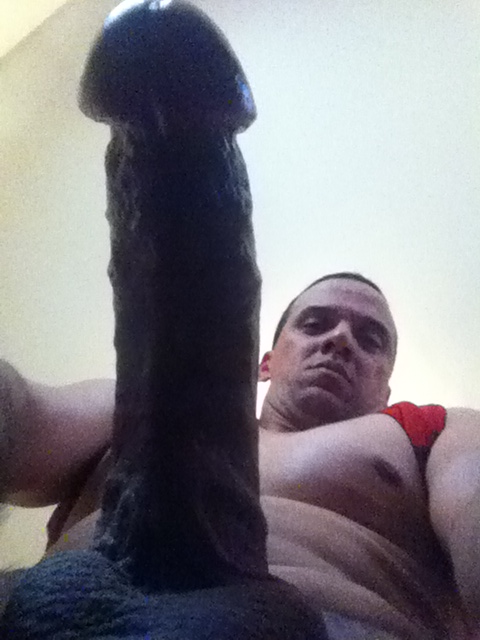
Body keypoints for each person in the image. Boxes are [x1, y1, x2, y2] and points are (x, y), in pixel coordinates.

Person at [1, 272, 479, 638]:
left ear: (385, 389)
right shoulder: (153, 407)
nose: (340, 340)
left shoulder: (432, 429)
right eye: (315, 324)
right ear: (265, 364)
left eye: (370, 339)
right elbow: (29, 423)